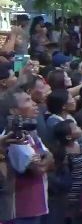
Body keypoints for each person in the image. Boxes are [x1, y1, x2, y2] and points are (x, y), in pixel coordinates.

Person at [5, 87, 55, 224]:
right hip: (22, 210)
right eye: (27, 100)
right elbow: (37, 169)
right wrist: (45, 161)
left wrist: (45, 159)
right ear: (13, 110)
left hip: (36, 206)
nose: (34, 103)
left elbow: (50, 157)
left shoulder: (30, 131)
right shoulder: (13, 137)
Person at [47, 119, 82, 224]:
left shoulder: (79, 144)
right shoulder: (63, 154)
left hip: (81, 189)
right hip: (70, 194)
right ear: (68, 136)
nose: (79, 128)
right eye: (74, 128)